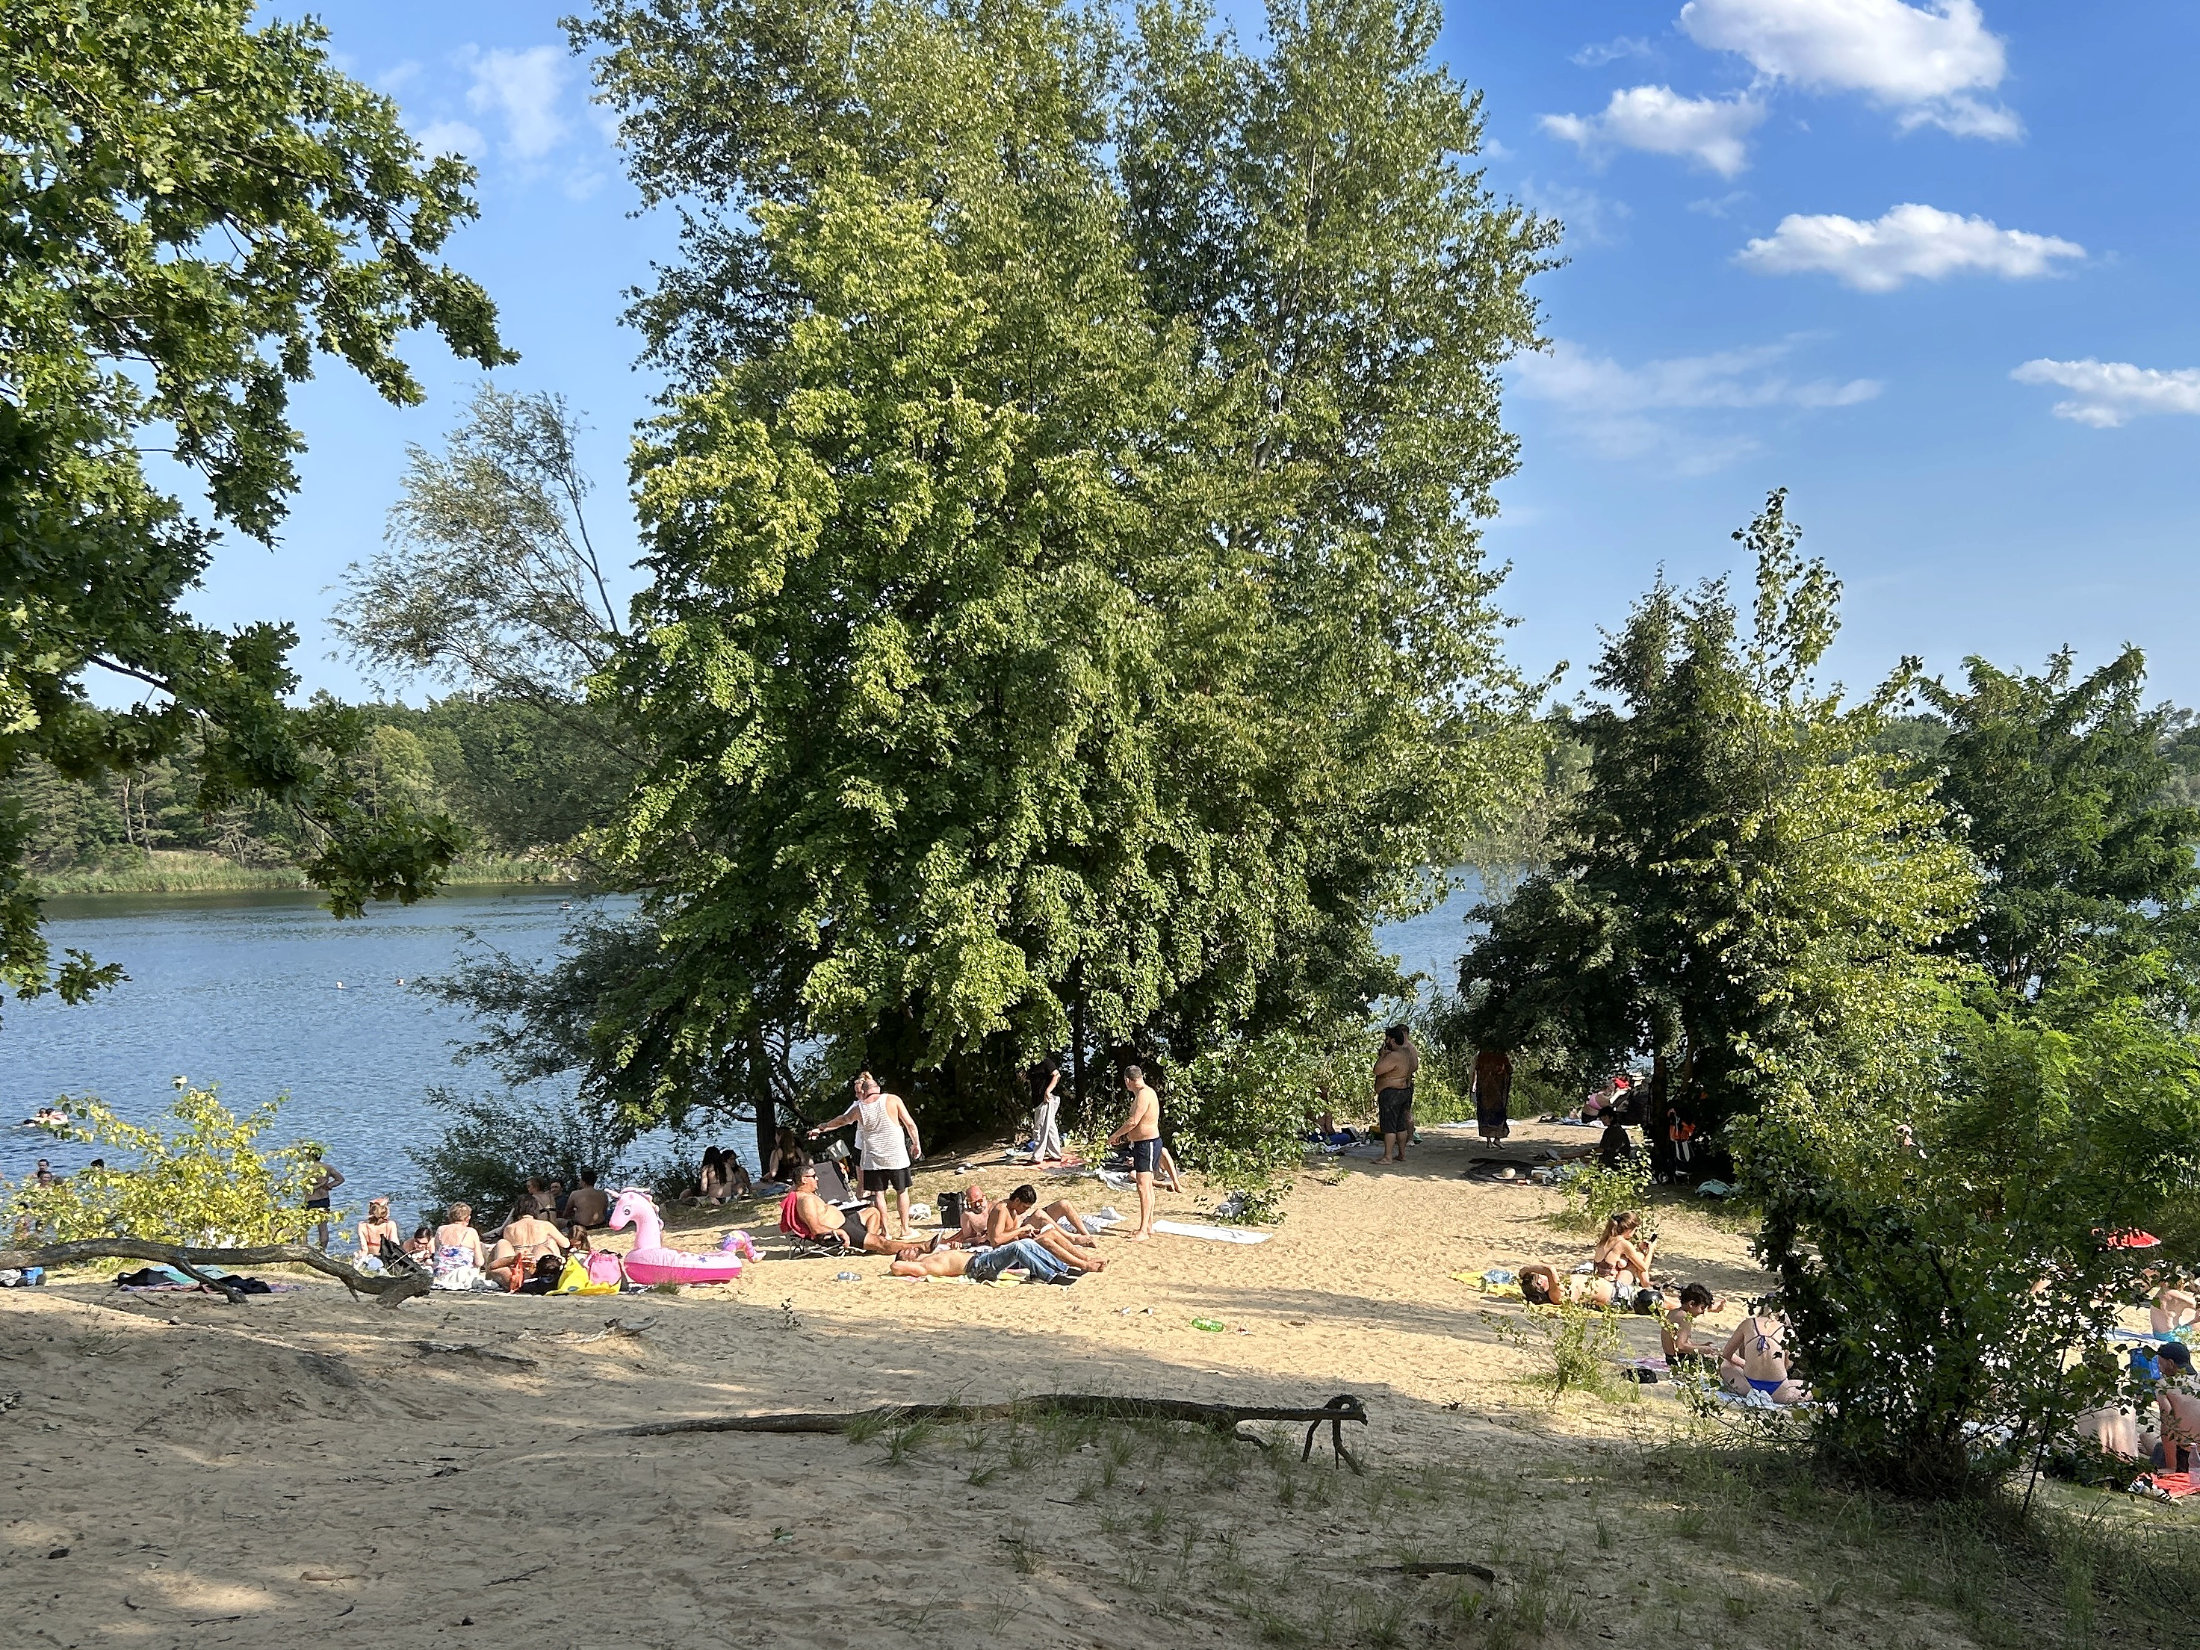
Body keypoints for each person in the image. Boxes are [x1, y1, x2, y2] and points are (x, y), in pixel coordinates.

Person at [811, 1073, 924, 1239]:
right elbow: (910, 1124)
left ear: (863, 1092)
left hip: (873, 1158)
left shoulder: (859, 1108)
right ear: (877, 1088)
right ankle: (905, 1229)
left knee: (879, 1194)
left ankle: (885, 1232)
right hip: (896, 1155)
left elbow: (842, 1120)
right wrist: (916, 1144)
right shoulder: (893, 1099)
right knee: (902, 1191)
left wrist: (823, 1126)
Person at [783, 1165, 926, 1258]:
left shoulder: (802, 1194)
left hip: (844, 1221)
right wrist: (839, 1232)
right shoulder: (806, 1200)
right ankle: (922, 1246)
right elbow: (816, 1229)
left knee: (872, 1212)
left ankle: (870, 1243)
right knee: (882, 1242)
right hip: (840, 1229)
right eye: (814, 1176)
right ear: (804, 1180)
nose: (817, 1178)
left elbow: (793, 1189)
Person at [987, 1186, 1107, 1273]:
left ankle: (1087, 1259)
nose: (1024, 1211)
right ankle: (1084, 1265)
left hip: (1016, 1246)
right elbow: (996, 1240)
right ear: (1017, 1200)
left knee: (1052, 1233)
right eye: (1024, 1207)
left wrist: (1026, 1233)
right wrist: (1020, 1230)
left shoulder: (1012, 1209)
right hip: (1006, 1254)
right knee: (1045, 1240)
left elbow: (1009, 1234)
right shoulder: (1002, 1209)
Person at [1106, 1064, 1163, 1243]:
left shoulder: (1144, 1094)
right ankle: (1148, 1225)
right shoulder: (1142, 1093)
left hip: (1148, 1144)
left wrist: (1116, 1135)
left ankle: (1143, 1230)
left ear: (1127, 1080)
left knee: (1143, 1186)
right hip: (1143, 1144)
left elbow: (1133, 1121)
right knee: (1145, 1185)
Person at [1718, 1305, 1807, 1404]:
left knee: (1725, 1364)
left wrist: (1744, 1364)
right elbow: (1788, 1364)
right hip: (1779, 1391)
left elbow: (1726, 1354)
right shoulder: (1787, 1331)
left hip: (1748, 1387)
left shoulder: (1748, 1323)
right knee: (1810, 1387)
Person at [486, 1201, 570, 1292]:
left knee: (502, 1243)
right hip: (539, 1269)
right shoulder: (545, 1225)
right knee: (549, 1242)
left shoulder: (509, 1228)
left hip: (517, 1271)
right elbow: (566, 1244)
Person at [1372, 1025, 1418, 1164]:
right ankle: (1401, 1154)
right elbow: (1414, 1066)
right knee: (1400, 1125)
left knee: (1389, 1126)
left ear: (1392, 1040)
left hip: (1392, 1094)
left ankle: (1388, 1156)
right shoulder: (1407, 1052)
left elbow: (1377, 1070)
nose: (1385, 1041)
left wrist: (1383, 1056)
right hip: (1403, 1091)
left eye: (1387, 1038)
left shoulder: (1394, 1056)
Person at [1592, 1211, 1657, 1295]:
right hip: (1612, 1288)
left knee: (1634, 1258)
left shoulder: (1605, 1239)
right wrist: (1650, 1250)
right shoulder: (1623, 1243)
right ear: (1629, 1230)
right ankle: (1648, 1289)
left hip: (1599, 1282)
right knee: (1639, 1258)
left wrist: (1639, 1249)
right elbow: (1644, 1267)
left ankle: (1647, 1287)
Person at [432, 1203, 488, 1288]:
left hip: (440, 1275)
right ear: (468, 1218)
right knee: (480, 1248)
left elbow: (437, 1253)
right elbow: (479, 1262)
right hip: (461, 1276)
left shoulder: (440, 1230)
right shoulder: (470, 1231)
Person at [1663, 1283, 1717, 1367]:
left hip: (1669, 1358)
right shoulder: (1684, 1317)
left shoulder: (1673, 1312)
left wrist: (1701, 1345)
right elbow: (1680, 1346)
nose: (1703, 1312)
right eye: (1702, 1308)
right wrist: (1703, 1350)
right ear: (1691, 1304)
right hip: (1678, 1360)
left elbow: (1682, 1341)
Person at [1028, 1052, 1064, 1163]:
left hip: (1047, 1099)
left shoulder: (1045, 1061)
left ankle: (1037, 1157)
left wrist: (1048, 1091)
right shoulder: (1031, 1066)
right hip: (1039, 1101)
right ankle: (1055, 1153)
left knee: (1041, 1127)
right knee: (1050, 1126)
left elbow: (1057, 1075)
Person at [304, 1150, 343, 1248]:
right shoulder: (327, 1167)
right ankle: (323, 1250)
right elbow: (340, 1179)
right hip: (324, 1199)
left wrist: (318, 1186)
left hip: (310, 1200)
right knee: (323, 1227)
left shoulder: (307, 1168)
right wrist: (329, 1185)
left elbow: (306, 1187)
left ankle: (304, 1247)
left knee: (304, 1227)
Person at [354, 1197, 400, 1269]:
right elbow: (395, 1244)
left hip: (371, 1256)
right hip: (386, 1257)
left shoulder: (362, 1225)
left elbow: (364, 1249)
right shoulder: (390, 1224)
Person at [565, 1168, 611, 1237]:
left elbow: (567, 1212)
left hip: (582, 1226)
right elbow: (604, 1211)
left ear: (583, 1182)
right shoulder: (603, 1194)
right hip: (600, 1225)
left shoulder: (575, 1194)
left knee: (560, 1221)